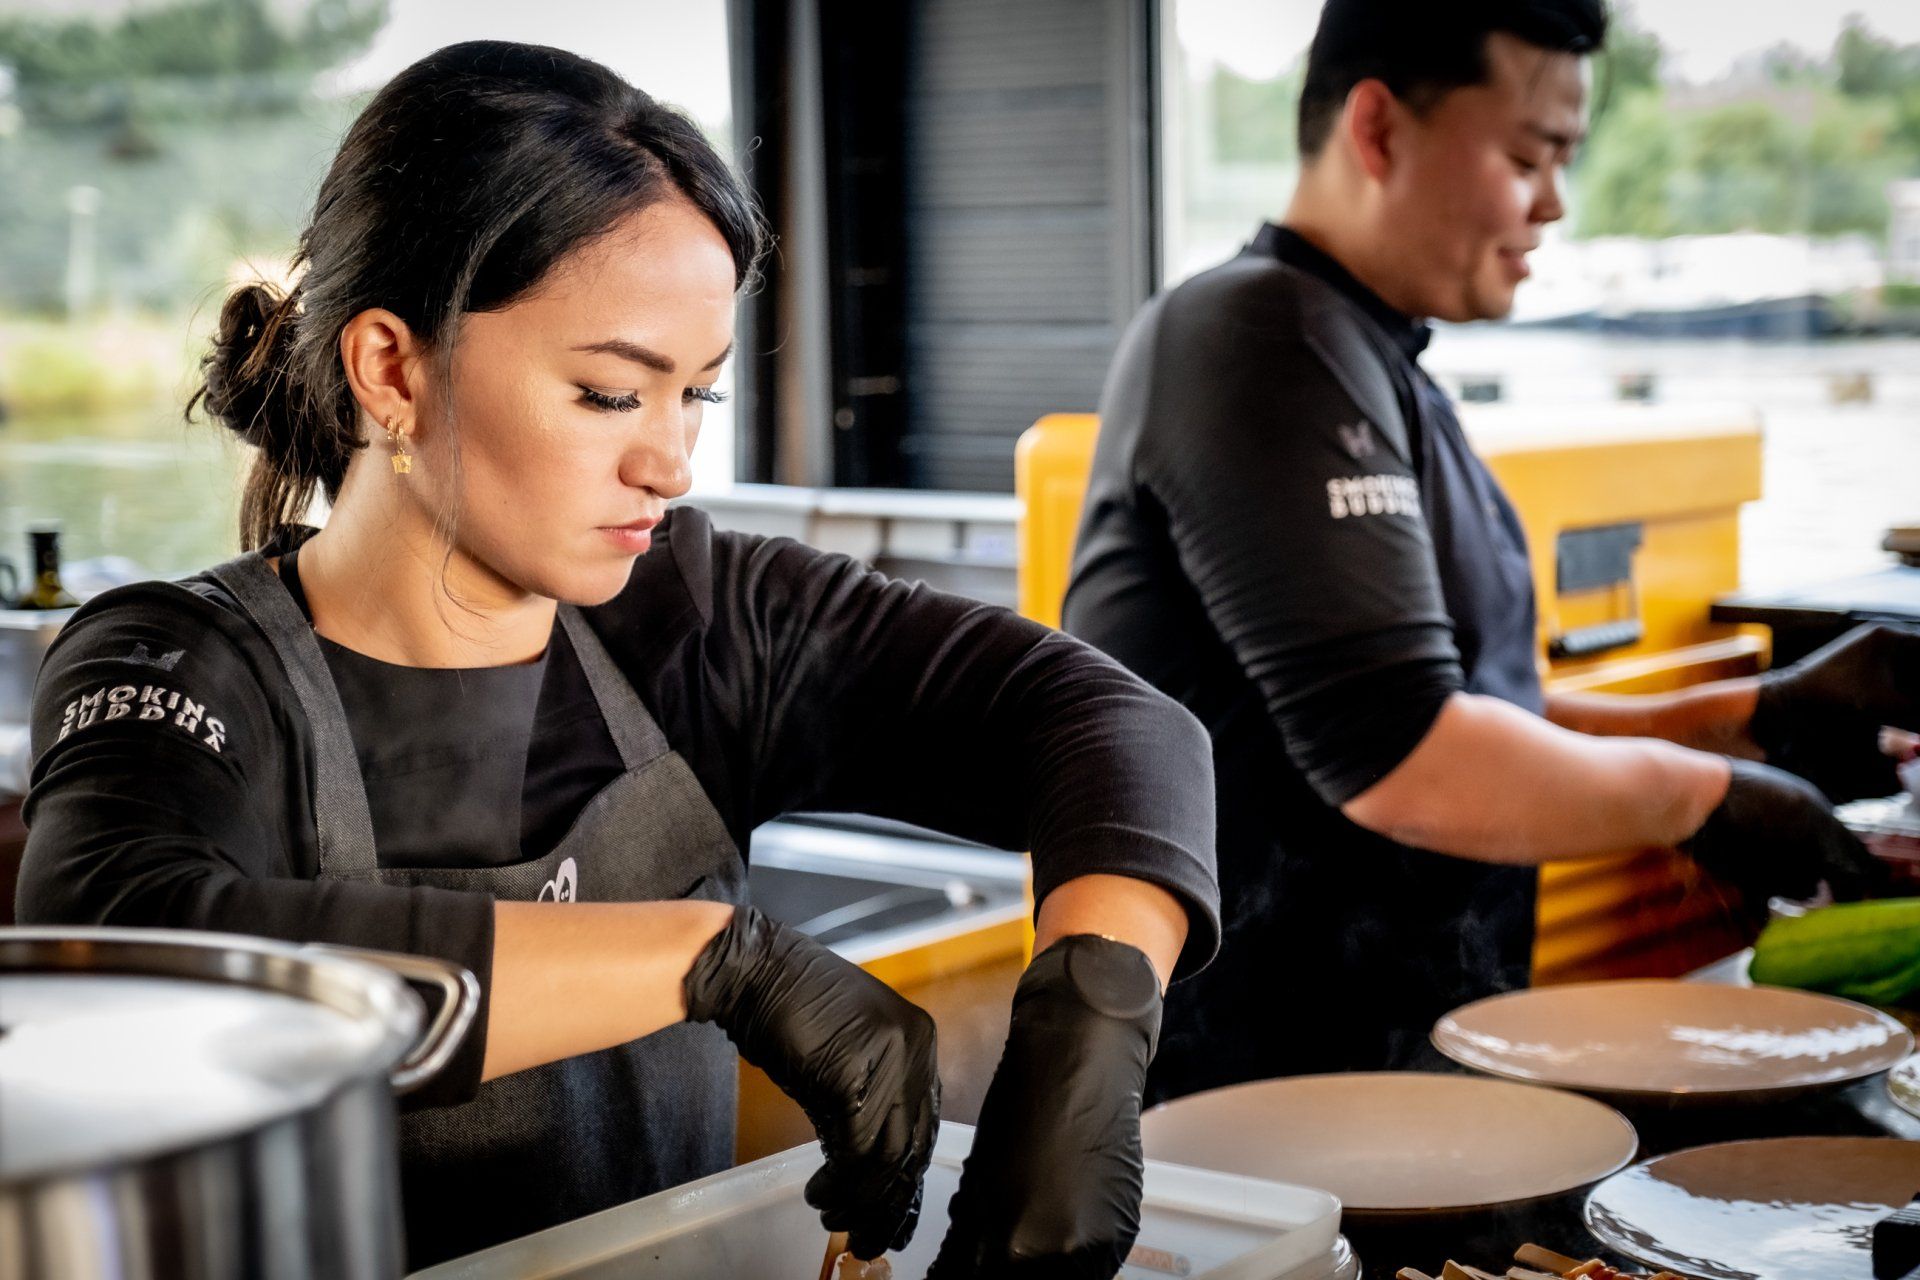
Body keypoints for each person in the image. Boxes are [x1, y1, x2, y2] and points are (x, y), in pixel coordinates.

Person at [19, 42, 1220, 1278]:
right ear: (391, 368)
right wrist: (714, 959)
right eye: (608, 393)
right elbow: (123, 953)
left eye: (697, 394)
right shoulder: (175, 662)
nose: (671, 463)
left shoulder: (698, 616)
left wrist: (1090, 1019)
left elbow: (1114, 726)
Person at [1062, 0, 1916, 1106]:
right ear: (1378, 129)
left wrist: (1758, 717)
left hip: (1405, 1073)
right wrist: (1706, 795)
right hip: (1259, 1104)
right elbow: (1409, 757)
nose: (1554, 201)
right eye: (1527, 157)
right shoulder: (1257, 337)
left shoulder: (1372, 359)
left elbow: (1483, 711)